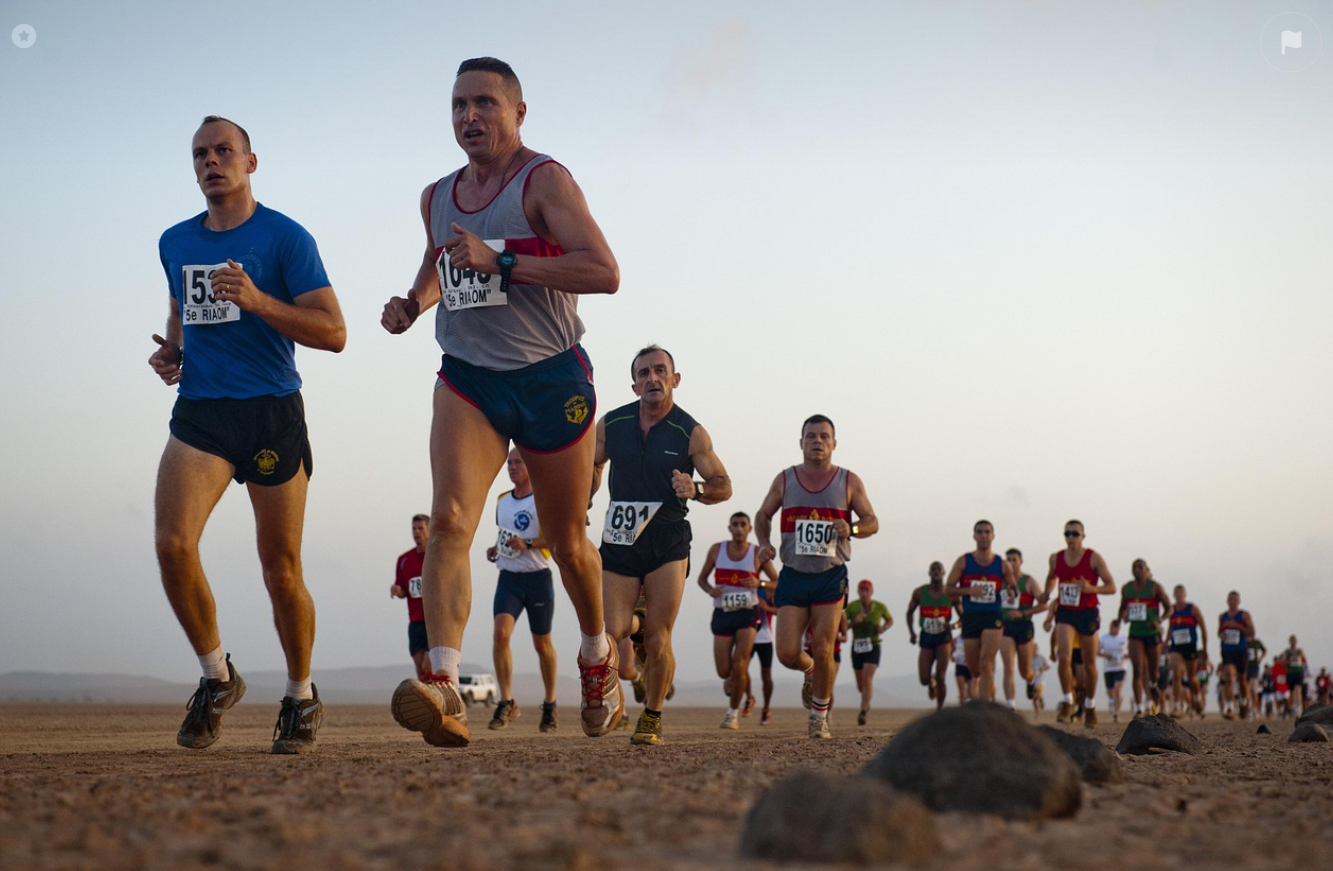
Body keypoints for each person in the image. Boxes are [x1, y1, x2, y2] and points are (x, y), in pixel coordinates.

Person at [382, 58, 623, 748]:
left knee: (569, 540)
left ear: (519, 113)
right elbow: (440, 264)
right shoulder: (435, 195)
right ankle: (445, 682)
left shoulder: (543, 180)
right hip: (469, 379)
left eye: (486, 102)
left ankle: (596, 654)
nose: (470, 116)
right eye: (459, 104)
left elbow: (603, 271)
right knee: (453, 518)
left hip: (551, 378)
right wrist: (411, 303)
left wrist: (506, 260)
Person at [150, 115, 346, 755]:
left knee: (281, 570)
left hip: (270, 413)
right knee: (174, 544)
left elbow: (334, 333)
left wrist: (260, 301)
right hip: (202, 412)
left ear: (250, 162)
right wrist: (173, 350)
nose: (212, 161)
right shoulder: (174, 239)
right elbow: (184, 301)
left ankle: (300, 695)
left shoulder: (286, 238)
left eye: (224, 150)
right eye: (201, 153)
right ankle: (217, 678)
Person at [593, 346, 731, 745]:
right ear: (634, 383)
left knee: (659, 637)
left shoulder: (690, 431)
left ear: (675, 379)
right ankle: (635, 624)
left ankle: (652, 716)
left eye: (660, 371)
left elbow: (724, 485)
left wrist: (696, 489)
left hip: (667, 537)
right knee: (614, 629)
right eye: (644, 373)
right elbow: (592, 464)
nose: (652, 378)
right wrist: (585, 494)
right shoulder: (613, 423)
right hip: (621, 537)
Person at [755, 415, 879, 739]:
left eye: (824, 436)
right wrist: (765, 543)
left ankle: (818, 716)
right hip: (794, 575)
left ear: (834, 444)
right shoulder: (785, 479)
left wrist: (850, 528)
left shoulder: (849, 481)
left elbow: (871, 521)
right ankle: (809, 670)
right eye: (811, 436)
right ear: (801, 443)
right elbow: (762, 514)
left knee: (824, 647)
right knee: (786, 653)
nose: (818, 441)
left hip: (829, 575)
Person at [483, 449, 559, 732]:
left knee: (542, 645)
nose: (512, 468)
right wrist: (496, 548)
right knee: (500, 634)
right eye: (510, 463)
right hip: (509, 579)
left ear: (531, 466)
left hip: (538, 579)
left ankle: (550, 705)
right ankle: (507, 701)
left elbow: (556, 536)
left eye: (518, 463)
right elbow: (505, 534)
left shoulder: (543, 498)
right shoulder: (503, 500)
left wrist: (528, 544)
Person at [695, 512, 777, 731]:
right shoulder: (717, 550)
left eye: (743, 525)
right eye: (735, 525)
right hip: (723, 613)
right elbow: (701, 579)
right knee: (724, 670)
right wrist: (711, 589)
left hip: (748, 615)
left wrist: (759, 583)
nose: (739, 528)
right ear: (729, 528)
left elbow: (778, 583)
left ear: (749, 529)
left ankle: (732, 714)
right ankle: (734, 683)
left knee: (741, 665)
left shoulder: (757, 554)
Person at [1043, 520, 1116, 728]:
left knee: (1089, 662)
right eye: (1067, 533)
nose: (1071, 537)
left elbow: (1111, 587)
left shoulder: (1093, 558)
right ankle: (1068, 701)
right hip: (1066, 612)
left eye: (1075, 533)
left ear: (1083, 536)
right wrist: (1047, 592)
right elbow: (1051, 578)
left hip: (1087, 613)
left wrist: (1091, 588)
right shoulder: (1055, 558)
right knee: (1064, 657)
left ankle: (1090, 706)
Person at [945, 520, 1018, 705]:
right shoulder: (964, 561)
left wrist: (1010, 592)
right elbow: (948, 589)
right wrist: (969, 591)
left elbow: (1013, 587)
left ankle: (984, 708)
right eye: (980, 532)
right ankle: (980, 694)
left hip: (992, 616)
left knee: (987, 662)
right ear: (974, 536)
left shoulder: (1002, 564)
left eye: (987, 532)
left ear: (993, 536)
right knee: (975, 668)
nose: (984, 536)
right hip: (970, 617)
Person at [1117, 559, 1171, 717]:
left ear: (1147, 570)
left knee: (1153, 672)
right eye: (1134, 567)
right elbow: (1122, 607)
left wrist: (1158, 620)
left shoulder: (1155, 587)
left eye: (1140, 567)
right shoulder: (1127, 588)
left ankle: (1153, 687)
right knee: (1137, 669)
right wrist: (1119, 619)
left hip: (1152, 634)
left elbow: (1169, 608)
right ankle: (1140, 706)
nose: (1137, 570)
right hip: (1135, 634)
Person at [1000, 548, 1048, 712]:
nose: (1011, 563)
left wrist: (1023, 613)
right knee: (1008, 667)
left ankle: (1031, 679)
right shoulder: (1000, 581)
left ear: (1020, 561)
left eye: (1014, 559)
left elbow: (1044, 604)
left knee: (1024, 670)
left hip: (1024, 625)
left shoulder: (1028, 581)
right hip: (1005, 626)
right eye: (1008, 560)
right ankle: (1010, 706)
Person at [907, 562, 956, 711]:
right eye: (933, 570)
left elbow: (964, 617)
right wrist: (912, 633)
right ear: (929, 573)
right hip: (926, 637)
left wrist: (953, 626)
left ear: (943, 573)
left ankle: (939, 710)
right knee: (923, 679)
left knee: (941, 676)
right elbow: (909, 613)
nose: (936, 572)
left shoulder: (951, 593)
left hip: (944, 639)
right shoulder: (920, 593)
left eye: (938, 570)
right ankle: (931, 683)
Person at [845, 580, 893, 726]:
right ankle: (866, 702)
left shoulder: (879, 607)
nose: (864, 593)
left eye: (867, 590)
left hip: (873, 646)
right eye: (862, 590)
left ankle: (863, 710)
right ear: (858, 592)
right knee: (860, 685)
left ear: (872, 592)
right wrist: (853, 622)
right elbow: (842, 626)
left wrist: (883, 628)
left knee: (867, 679)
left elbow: (890, 619)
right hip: (857, 647)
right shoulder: (852, 607)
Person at [390, 515, 432, 677]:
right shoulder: (404, 560)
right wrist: (397, 590)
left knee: (428, 666)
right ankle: (423, 702)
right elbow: (403, 590)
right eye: (414, 529)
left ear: (429, 530)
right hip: (415, 621)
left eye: (421, 528)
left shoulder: (436, 556)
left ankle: (436, 700)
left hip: (434, 621)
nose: (416, 532)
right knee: (420, 670)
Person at [1165, 585, 1207, 718]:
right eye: (1176, 593)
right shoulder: (1171, 610)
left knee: (1191, 677)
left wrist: (1204, 648)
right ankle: (1177, 707)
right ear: (1173, 595)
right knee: (1176, 676)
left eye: (1181, 593)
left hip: (1190, 646)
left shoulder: (1193, 609)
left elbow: (1203, 627)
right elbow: (1170, 628)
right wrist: (1165, 645)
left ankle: (1197, 696)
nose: (1178, 595)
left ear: (1185, 594)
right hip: (1176, 647)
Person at [1216, 591, 1256, 720]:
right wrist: (1221, 635)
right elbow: (1219, 632)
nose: (1232, 601)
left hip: (1240, 650)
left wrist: (1237, 626)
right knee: (1228, 676)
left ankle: (1244, 701)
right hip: (1227, 649)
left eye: (1235, 599)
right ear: (1227, 601)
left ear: (1239, 601)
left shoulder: (1244, 615)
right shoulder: (1222, 616)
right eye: (1230, 599)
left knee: (1242, 680)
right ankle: (1230, 706)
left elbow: (1252, 632)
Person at [749, 581, 779, 724]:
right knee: (739, 669)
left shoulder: (766, 589)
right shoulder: (742, 582)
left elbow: (781, 610)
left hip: (764, 638)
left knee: (766, 674)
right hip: (746, 636)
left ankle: (766, 708)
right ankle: (749, 697)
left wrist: (766, 607)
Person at [1098, 619, 1129, 722]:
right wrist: (1104, 655)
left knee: (1118, 689)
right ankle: (1111, 701)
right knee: (1110, 691)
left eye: (1115, 627)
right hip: (1108, 668)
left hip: (1121, 667)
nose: (1113, 629)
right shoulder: (1103, 638)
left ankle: (1117, 712)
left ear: (1119, 628)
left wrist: (1126, 655)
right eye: (1111, 627)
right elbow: (1097, 651)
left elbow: (1131, 652)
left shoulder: (1124, 638)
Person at [1277, 635, 1309, 717]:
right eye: (1292, 641)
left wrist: (1307, 671)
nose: (1293, 643)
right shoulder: (1287, 652)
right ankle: (1290, 708)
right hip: (1290, 673)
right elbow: (1281, 661)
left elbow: (1305, 661)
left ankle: (1298, 708)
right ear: (1290, 642)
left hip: (1299, 672)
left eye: (1294, 641)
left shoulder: (1300, 651)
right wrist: (1287, 663)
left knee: (1298, 689)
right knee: (1291, 692)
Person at [1246, 636, 1268, 719]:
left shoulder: (1256, 642)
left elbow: (1265, 650)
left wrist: (1260, 659)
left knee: (1253, 688)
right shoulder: (1242, 642)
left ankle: (1255, 708)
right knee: (1247, 690)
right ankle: (1249, 710)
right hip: (1245, 667)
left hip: (1254, 667)